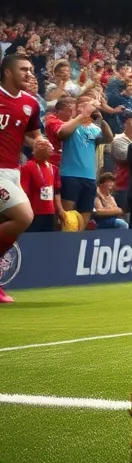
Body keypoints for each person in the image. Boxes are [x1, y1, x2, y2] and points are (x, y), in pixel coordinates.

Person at [0, 54, 45, 303]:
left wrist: (41, 144)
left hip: (12, 172)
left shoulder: (31, 103)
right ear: (7, 72)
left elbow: (33, 136)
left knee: (11, 224)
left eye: (31, 69)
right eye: (23, 69)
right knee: (24, 216)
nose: (29, 73)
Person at [48, 96, 112, 228]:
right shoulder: (69, 123)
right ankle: (62, 239)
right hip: (70, 174)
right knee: (67, 214)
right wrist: (81, 115)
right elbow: (62, 134)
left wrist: (102, 120)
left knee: (86, 211)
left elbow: (108, 138)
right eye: (84, 104)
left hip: (89, 176)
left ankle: (77, 239)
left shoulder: (94, 128)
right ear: (77, 108)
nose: (89, 107)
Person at [20, 137, 61, 233]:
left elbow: (56, 192)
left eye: (48, 147)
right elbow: (24, 190)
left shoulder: (53, 168)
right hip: (34, 212)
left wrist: (60, 210)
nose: (47, 149)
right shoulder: (28, 167)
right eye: (43, 146)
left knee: (48, 240)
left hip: (50, 212)